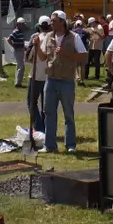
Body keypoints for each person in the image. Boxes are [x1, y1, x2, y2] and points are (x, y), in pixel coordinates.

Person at [33, 10, 87, 153]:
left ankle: (70, 145)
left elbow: (83, 57)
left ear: (62, 22)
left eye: (54, 21)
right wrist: (37, 46)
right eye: (51, 21)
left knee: (68, 113)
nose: (51, 23)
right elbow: (43, 57)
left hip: (67, 81)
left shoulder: (74, 37)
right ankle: (49, 145)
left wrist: (66, 53)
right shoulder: (48, 37)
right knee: (49, 113)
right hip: (50, 80)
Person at [26, 16, 51, 133]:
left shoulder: (37, 38)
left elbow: (31, 58)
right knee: (45, 105)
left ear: (39, 26)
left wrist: (34, 46)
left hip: (37, 75)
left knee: (31, 101)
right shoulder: (53, 38)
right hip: (48, 75)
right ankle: (46, 127)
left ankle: (39, 127)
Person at [7, 18, 27, 88]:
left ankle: (17, 82)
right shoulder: (15, 32)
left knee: (19, 66)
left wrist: (23, 46)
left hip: (21, 49)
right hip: (18, 50)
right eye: (22, 24)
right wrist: (14, 46)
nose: (23, 26)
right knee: (21, 67)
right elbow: (9, 39)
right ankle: (18, 83)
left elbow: (19, 40)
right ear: (18, 25)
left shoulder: (20, 32)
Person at [72, 19, 89, 86]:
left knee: (75, 65)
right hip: (83, 50)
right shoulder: (86, 32)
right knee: (83, 66)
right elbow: (88, 42)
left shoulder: (73, 32)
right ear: (82, 25)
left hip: (75, 51)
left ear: (76, 25)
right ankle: (82, 80)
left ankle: (77, 77)